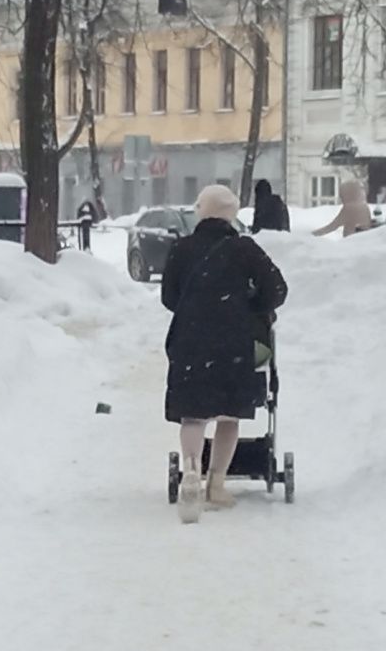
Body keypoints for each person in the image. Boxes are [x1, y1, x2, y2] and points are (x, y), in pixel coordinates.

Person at [162, 184, 288, 524]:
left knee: (192, 415)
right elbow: (277, 290)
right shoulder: (245, 249)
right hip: (237, 343)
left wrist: (196, 308)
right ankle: (216, 484)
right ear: (231, 214)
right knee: (228, 415)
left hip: (191, 340)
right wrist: (249, 307)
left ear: (201, 211)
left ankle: (191, 470)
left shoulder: (181, 249)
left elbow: (169, 297)